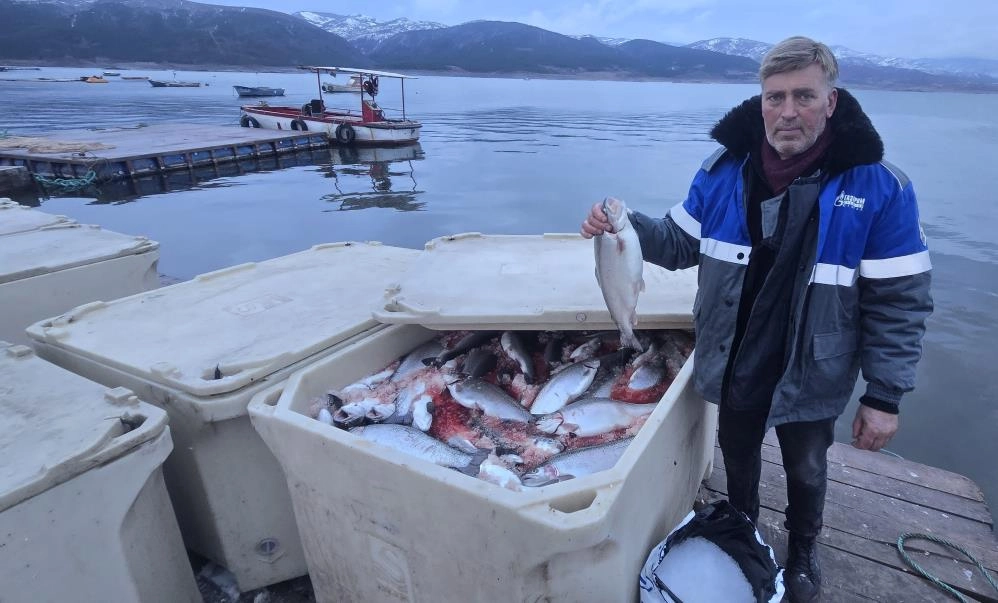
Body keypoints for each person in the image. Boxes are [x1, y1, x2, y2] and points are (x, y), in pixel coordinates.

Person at [581, 36, 932, 602]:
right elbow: (676, 243)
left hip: (814, 366)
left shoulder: (881, 189)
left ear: (831, 101)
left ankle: (803, 548)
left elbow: (900, 301)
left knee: (807, 468)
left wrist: (884, 396)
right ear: (761, 100)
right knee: (738, 457)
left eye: (804, 96)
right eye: (774, 97)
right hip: (734, 353)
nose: (787, 112)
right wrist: (623, 227)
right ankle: (742, 526)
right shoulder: (723, 170)